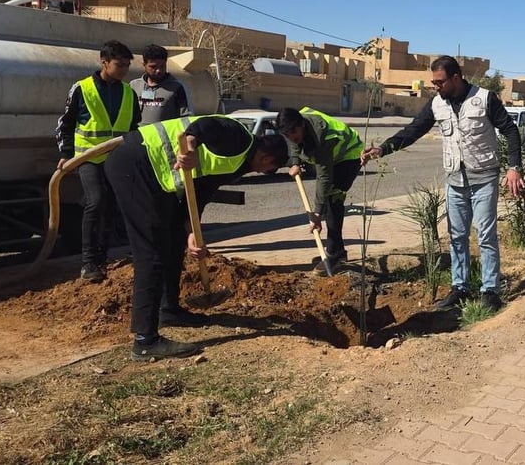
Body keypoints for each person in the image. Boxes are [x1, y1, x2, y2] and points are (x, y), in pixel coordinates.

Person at [104, 115, 289, 361]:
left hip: (157, 176)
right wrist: (190, 144)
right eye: (270, 169)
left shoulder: (237, 164)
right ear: (267, 159)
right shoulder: (239, 137)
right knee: (151, 252)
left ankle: (168, 309)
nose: (266, 172)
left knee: (173, 238)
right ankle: (145, 340)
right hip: (135, 163)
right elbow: (206, 126)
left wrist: (192, 231)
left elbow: (200, 193)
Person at [360, 56, 524, 313]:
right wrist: (382, 149)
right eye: (433, 82)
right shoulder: (437, 104)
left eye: (439, 82)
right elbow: (413, 131)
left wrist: (514, 168)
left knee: (485, 236)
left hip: (484, 179)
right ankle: (460, 287)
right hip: (455, 181)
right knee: (457, 237)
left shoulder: (484, 98)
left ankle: (490, 290)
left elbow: (510, 131)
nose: (435, 86)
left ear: (455, 78)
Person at [55, 40, 141, 283]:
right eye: (119, 64)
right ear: (104, 62)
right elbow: (66, 124)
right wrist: (66, 154)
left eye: (126, 65)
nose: (123, 69)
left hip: (118, 159)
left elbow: (133, 127)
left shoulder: (128, 93)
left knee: (112, 207)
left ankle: (102, 259)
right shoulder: (82, 89)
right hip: (89, 158)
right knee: (96, 201)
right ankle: (88, 262)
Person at [276, 107, 363, 268]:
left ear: (302, 124)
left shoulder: (323, 137)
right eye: (287, 134)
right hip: (334, 157)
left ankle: (334, 254)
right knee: (329, 201)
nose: (291, 137)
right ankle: (338, 252)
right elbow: (295, 142)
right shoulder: (297, 127)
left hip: (350, 155)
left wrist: (317, 213)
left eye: (294, 132)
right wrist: (295, 162)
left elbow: (324, 177)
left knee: (333, 199)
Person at [131, 44, 192, 125]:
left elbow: (186, 118)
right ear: (144, 65)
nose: (158, 71)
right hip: (138, 137)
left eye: (162, 66)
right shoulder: (134, 85)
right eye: (153, 67)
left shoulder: (177, 88)